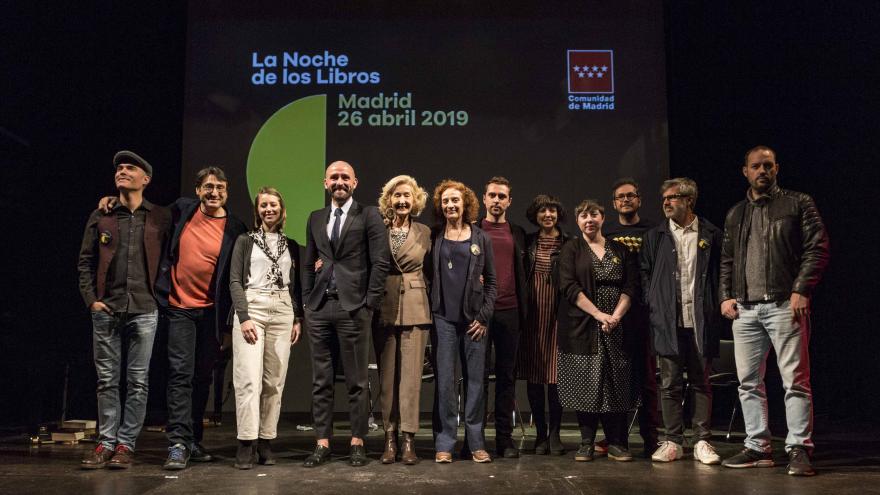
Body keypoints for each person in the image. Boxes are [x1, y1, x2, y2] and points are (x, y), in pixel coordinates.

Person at [99, 167, 248, 469]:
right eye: (208, 187)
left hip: (212, 313)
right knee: (181, 375)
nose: (214, 192)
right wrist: (113, 200)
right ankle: (178, 443)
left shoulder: (236, 227)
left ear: (227, 192)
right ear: (198, 190)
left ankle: (193, 440)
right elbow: (146, 213)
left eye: (220, 187)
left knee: (202, 378)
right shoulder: (181, 210)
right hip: (180, 307)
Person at [719, 146, 829, 476]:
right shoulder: (735, 213)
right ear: (746, 172)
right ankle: (757, 446)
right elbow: (727, 260)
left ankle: (799, 448)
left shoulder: (797, 203)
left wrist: (801, 289)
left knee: (795, 380)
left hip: (784, 304)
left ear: (777, 168)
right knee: (748, 382)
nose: (762, 170)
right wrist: (726, 295)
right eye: (756, 166)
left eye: (768, 165)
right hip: (746, 310)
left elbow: (818, 247)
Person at [78, 150, 171, 469]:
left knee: (138, 380)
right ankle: (105, 442)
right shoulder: (101, 214)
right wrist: (92, 300)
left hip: (145, 308)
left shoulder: (160, 216)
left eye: (130, 167)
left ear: (146, 179)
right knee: (107, 380)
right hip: (107, 309)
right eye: (118, 167)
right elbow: (86, 262)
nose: (122, 170)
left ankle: (125, 445)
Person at [302, 161, 390, 467]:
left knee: (356, 380)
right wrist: (306, 302)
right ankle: (322, 442)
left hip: (353, 308)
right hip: (319, 308)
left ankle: (357, 441)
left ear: (355, 182)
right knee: (320, 381)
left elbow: (380, 262)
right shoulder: (315, 218)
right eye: (334, 177)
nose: (340, 181)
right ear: (325, 182)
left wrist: (369, 304)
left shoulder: (369, 215)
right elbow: (307, 262)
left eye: (345, 177)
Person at [640, 178, 723, 465]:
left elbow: (720, 274)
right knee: (670, 383)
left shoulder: (711, 233)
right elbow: (645, 275)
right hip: (668, 321)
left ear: (689, 200)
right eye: (664, 197)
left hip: (700, 319)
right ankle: (673, 440)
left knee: (702, 382)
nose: (666, 202)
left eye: (673, 197)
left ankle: (702, 440)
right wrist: (654, 302)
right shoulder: (655, 236)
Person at [557, 200, 639, 462]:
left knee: (616, 382)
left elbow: (630, 286)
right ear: (578, 221)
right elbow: (569, 287)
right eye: (583, 215)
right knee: (587, 383)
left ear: (603, 218)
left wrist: (614, 316)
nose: (589, 219)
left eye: (594, 214)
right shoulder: (571, 249)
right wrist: (598, 314)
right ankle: (586, 442)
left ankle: (616, 442)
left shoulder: (620, 250)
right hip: (583, 326)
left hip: (617, 326)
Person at [229, 187, 303, 469]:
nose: (268, 209)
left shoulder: (291, 244)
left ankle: (266, 442)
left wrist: (297, 317)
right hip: (253, 306)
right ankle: (245, 443)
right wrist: (243, 315)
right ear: (257, 210)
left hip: (282, 309)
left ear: (282, 209)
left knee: (274, 382)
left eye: (273, 204)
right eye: (263, 205)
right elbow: (235, 280)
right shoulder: (245, 241)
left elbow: (292, 284)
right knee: (248, 378)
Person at [429, 180, 497, 464]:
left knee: (475, 383)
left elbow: (492, 282)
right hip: (443, 319)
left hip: (474, 322)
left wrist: (483, 317)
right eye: (445, 201)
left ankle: (475, 443)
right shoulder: (434, 236)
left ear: (465, 203)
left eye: (455, 200)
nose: (450, 205)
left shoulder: (481, 238)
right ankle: (444, 442)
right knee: (445, 383)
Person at [373, 175, 432, 465]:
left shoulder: (425, 232)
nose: (402, 201)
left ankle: (409, 439)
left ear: (416, 200)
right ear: (389, 200)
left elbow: (434, 271)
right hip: (384, 305)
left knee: (410, 379)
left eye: (407, 196)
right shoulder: (378, 230)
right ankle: (389, 438)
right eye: (397, 196)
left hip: (416, 306)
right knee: (387, 379)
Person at [601, 178, 660, 456]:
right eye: (620, 197)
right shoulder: (607, 231)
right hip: (614, 316)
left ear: (639, 199)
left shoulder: (653, 230)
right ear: (614, 204)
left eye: (630, 196)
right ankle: (617, 441)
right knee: (616, 379)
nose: (625, 200)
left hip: (644, 315)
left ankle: (651, 440)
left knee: (648, 379)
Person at [476, 176, 528, 458]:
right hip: (479, 313)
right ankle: (476, 439)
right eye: (492, 195)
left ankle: (504, 440)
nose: (496, 200)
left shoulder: (517, 233)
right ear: (484, 199)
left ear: (509, 201)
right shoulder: (472, 230)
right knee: (478, 378)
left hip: (510, 312)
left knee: (507, 378)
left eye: (501, 196)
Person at [517, 194, 571, 455]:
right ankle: (540, 432)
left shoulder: (570, 243)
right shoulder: (527, 242)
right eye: (542, 211)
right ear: (535, 216)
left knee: (556, 376)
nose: (547, 215)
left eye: (552, 210)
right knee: (536, 376)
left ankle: (555, 433)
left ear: (558, 214)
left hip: (558, 315)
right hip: (533, 315)